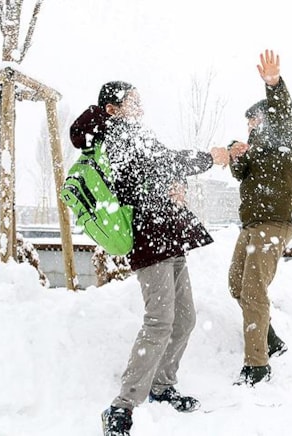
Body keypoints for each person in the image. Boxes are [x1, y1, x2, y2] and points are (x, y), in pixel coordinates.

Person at [70, 81, 230, 436]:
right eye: (133, 101)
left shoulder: (135, 133)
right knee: (159, 321)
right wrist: (209, 158)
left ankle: (162, 386)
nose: (141, 107)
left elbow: (161, 168)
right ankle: (121, 407)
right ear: (112, 109)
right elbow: (163, 163)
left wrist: (177, 185)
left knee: (184, 318)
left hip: (168, 235)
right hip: (149, 239)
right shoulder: (115, 135)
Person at [226, 50, 292, 386]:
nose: (250, 127)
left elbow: (283, 112)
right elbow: (240, 174)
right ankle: (270, 339)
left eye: (254, 121)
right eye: (248, 124)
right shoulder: (257, 148)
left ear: (268, 118)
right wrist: (236, 154)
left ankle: (257, 366)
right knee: (236, 284)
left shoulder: (288, 134)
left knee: (253, 290)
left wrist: (273, 84)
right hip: (252, 223)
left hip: (275, 222)